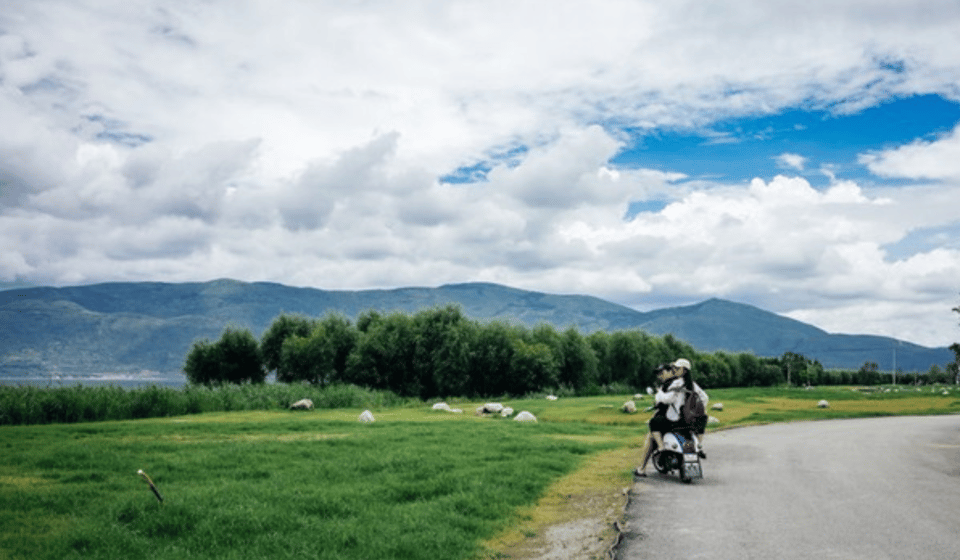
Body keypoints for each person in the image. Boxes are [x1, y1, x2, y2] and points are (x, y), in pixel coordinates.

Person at [635, 363, 684, 477]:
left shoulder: (669, 385)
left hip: (671, 420)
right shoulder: (684, 382)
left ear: (671, 371)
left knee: (652, 433)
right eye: (658, 373)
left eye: (662, 372)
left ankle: (642, 468)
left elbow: (665, 401)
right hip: (685, 420)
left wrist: (659, 396)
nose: (659, 375)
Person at [674, 358, 709, 458]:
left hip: (680, 419)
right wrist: (697, 410)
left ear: (684, 370)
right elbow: (705, 398)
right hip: (692, 419)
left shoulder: (677, 383)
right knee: (703, 418)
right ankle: (699, 446)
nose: (675, 370)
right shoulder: (693, 385)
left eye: (677, 368)